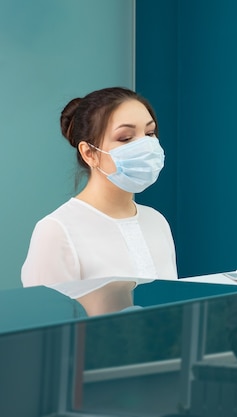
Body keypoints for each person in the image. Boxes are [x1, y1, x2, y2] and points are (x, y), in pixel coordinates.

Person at [22, 87, 177, 314]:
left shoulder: (157, 221)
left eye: (150, 134)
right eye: (125, 138)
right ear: (89, 153)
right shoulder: (57, 231)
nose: (146, 146)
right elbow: (42, 329)